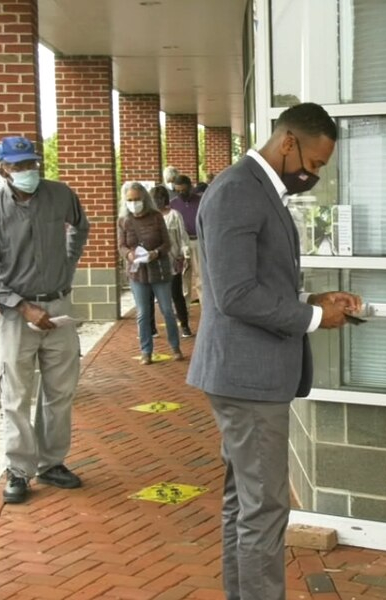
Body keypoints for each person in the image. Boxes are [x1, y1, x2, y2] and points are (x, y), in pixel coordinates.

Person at [186, 102, 362, 600]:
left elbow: (260, 283)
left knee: (244, 504)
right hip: (248, 378)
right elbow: (235, 294)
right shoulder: (239, 191)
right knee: (263, 510)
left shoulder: (261, 191)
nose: (315, 175)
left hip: (248, 374)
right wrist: (312, 318)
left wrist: (315, 301)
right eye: (315, 163)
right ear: (289, 142)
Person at [0, 135, 91, 505]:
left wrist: (66, 270)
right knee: (17, 395)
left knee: (60, 392)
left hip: (57, 309)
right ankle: (19, 471)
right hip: (16, 317)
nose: (27, 172)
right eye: (18, 166)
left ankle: (52, 462)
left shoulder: (59, 195)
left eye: (32, 164)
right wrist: (24, 307)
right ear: (2, 169)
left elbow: (80, 226)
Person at [119, 182, 184, 365]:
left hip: (159, 271)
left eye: (137, 199)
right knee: (143, 313)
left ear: (144, 199)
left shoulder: (156, 217)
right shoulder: (123, 220)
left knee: (167, 311)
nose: (134, 203)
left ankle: (175, 346)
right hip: (137, 272)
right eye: (130, 200)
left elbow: (167, 243)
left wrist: (155, 253)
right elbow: (121, 246)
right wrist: (130, 254)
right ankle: (146, 350)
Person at [153, 184, 194, 338]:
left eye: (160, 198)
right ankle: (153, 328)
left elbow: (183, 237)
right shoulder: (151, 217)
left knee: (176, 294)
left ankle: (184, 324)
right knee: (156, 296)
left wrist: (185, 255)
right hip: (154, 262)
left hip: (173, 261)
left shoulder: (174, 215)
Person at [172, 174, 204, 302]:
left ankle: (204, 307)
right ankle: (184, 310)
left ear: (190, 187)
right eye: (178, 191)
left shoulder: (201, 201)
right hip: (182, 244)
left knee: (200, 277)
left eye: (183, 190)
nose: (180, 193)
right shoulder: (173, 204)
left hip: (198, 241)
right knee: (184, 278)